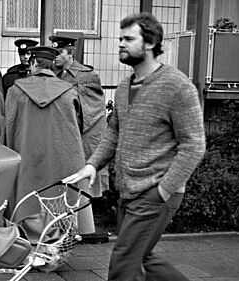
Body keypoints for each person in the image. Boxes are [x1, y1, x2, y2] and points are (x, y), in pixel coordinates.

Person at [62, 13, 206, 281]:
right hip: (129, 191)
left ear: (150, 43)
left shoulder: (176, 85)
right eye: (120, 38)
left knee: (123, 265)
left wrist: (164, 190)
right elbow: (114, 131)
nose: (120, 44)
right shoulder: (126, 85)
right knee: (143, 258)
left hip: (155, 191)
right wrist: (92, 165)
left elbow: (194, 145)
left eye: (129, 39)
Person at [4, 45, 94, 237]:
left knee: (27, 199)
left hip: (27, 157)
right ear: (53, 65)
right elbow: (79, 125)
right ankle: (58, 242)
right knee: (60, 199)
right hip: (62, 159)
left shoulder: (15, 91)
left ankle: (29, 242)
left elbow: (9, 127)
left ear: (34, 63)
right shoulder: (69, 91)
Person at [50, 34, 108, 198]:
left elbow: (93, 112)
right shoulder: (55, 74)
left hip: (81, 136)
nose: (55, 57)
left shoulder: (86, 75)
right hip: (61, 136)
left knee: (82, 185)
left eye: (59, 53)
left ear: (70, 53)